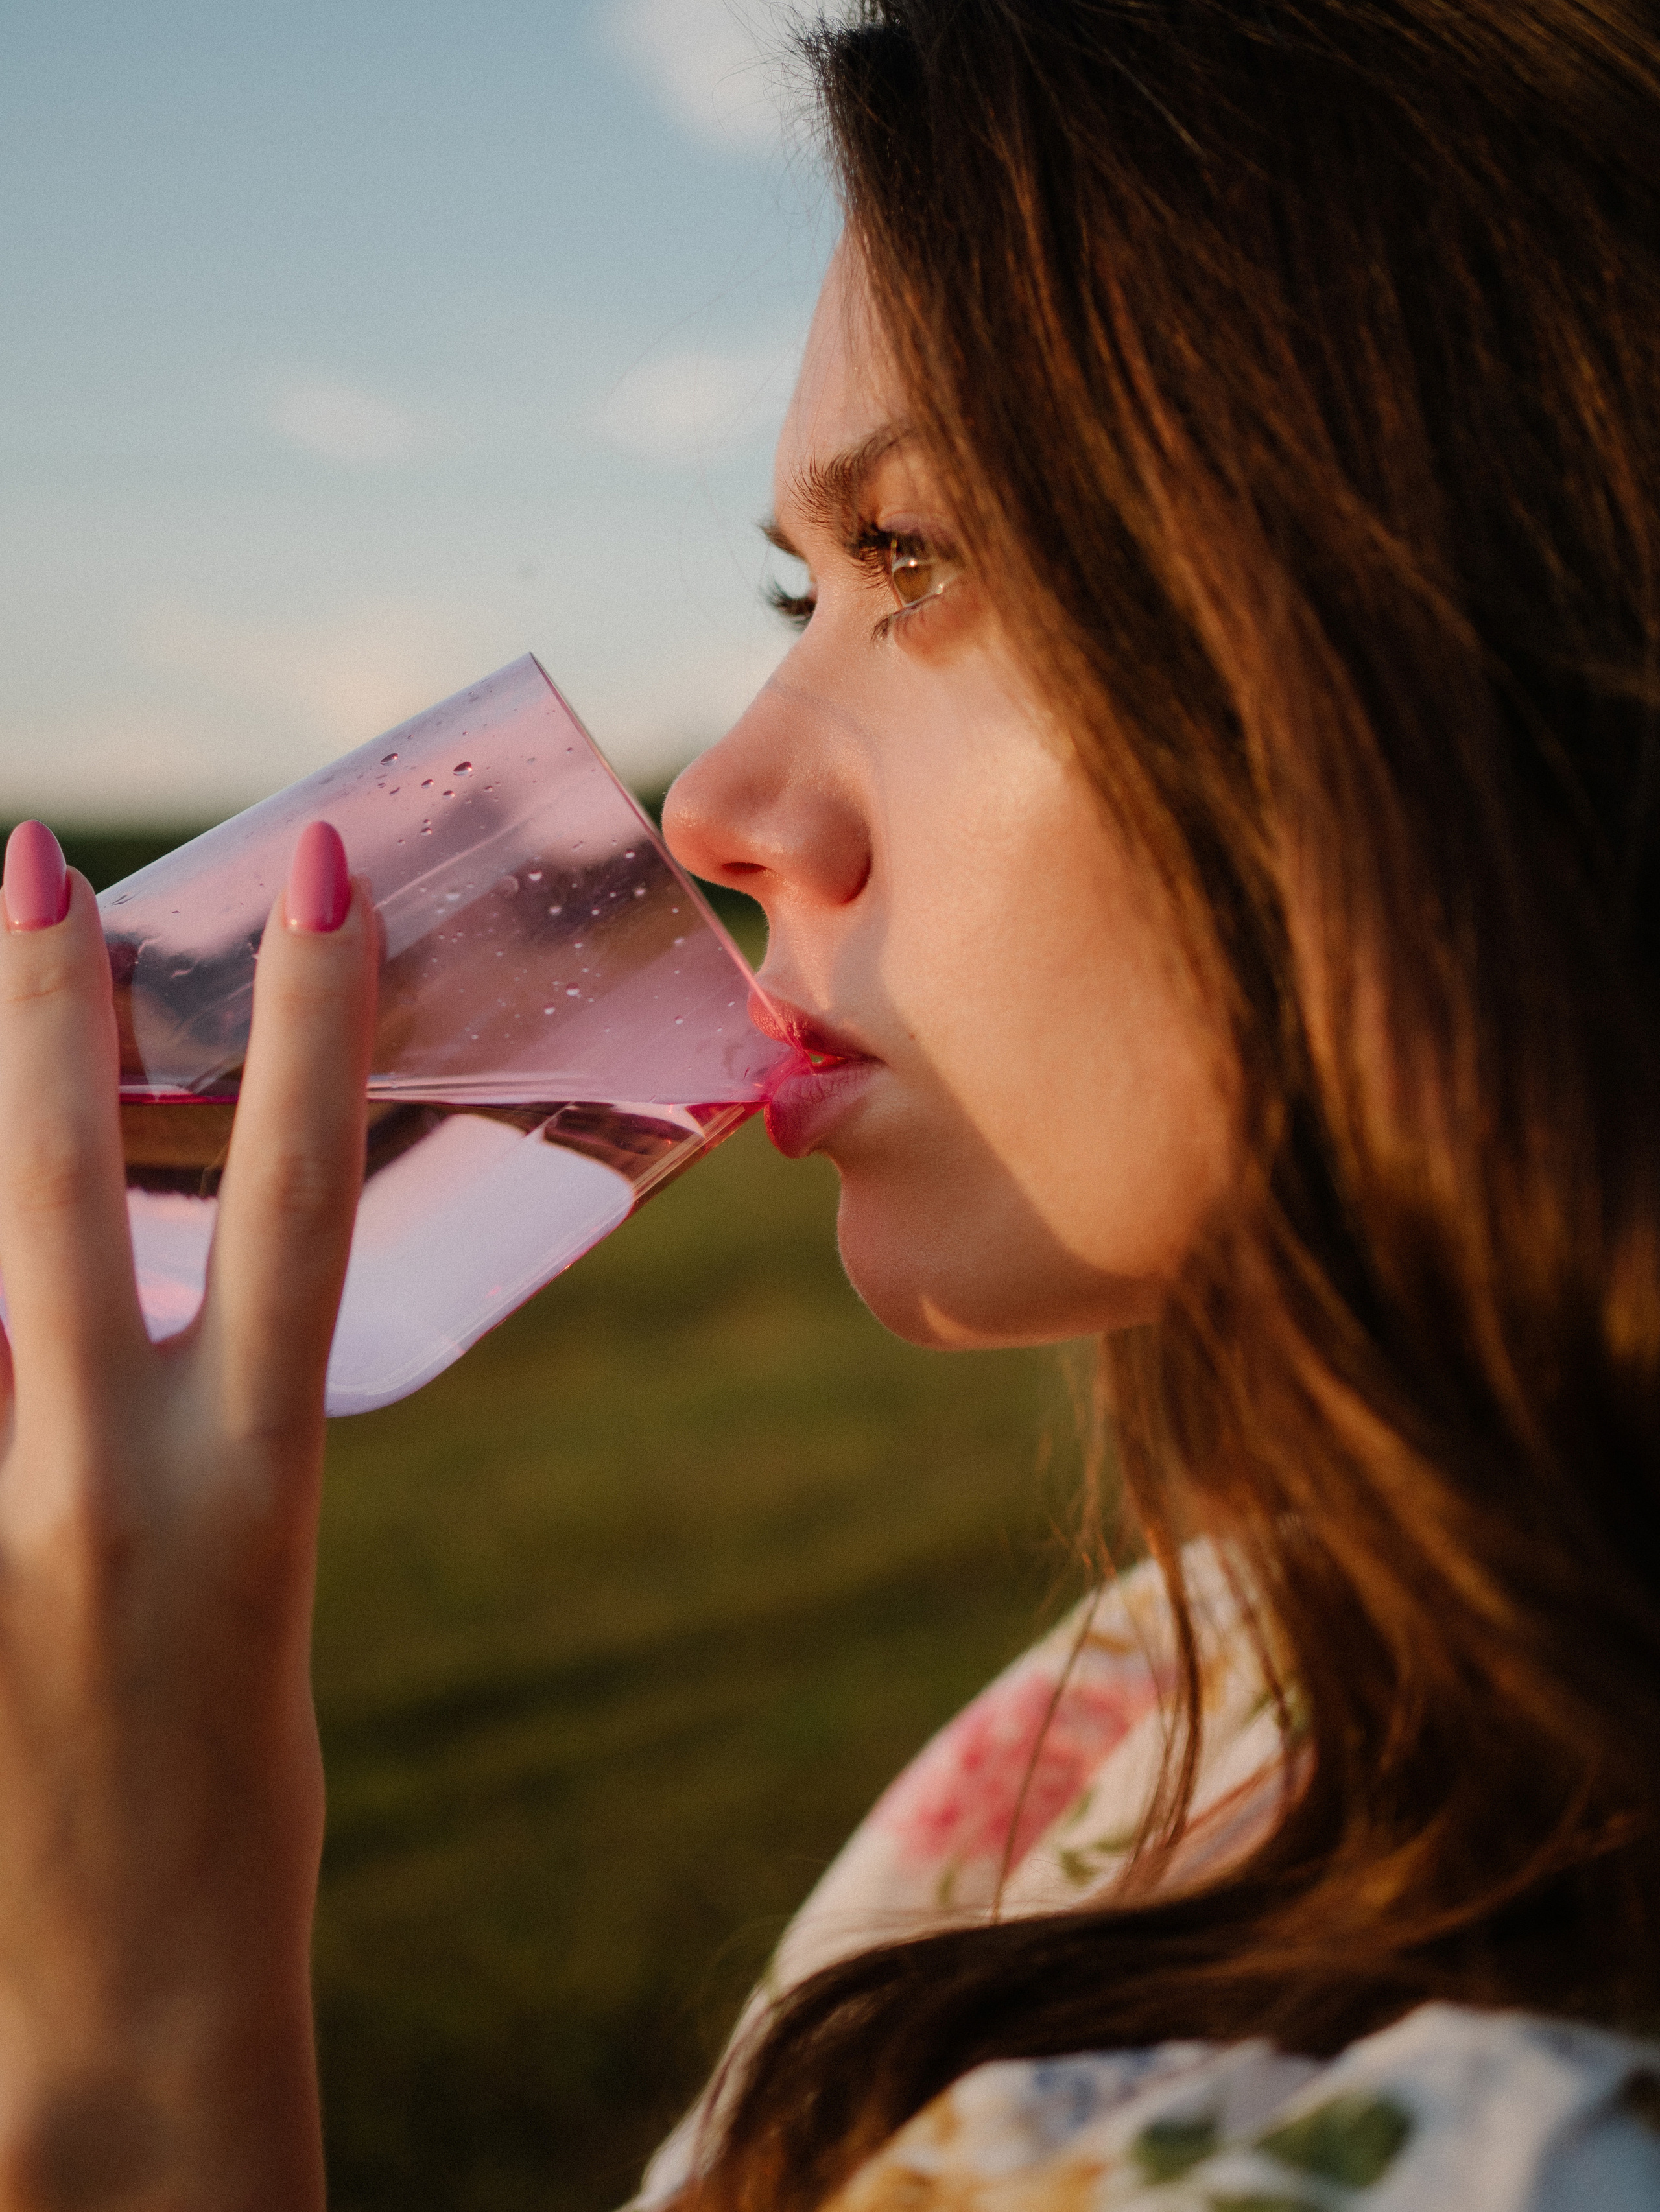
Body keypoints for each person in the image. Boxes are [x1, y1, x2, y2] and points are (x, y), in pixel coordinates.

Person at [0, 0, 1657, 2205]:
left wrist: (134, 2028)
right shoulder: (1225, 1662)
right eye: (805, 584)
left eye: (921, 558)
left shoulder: (1475, 2130)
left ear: (1454, 614)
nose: (721, 803)